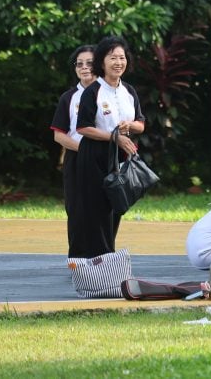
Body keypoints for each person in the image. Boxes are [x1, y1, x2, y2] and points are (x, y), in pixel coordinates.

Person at [72, 36, 146, 258]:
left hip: (121, 156)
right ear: (101, 62)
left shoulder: (129, 91)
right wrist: (114, 137)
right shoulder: (93, 91)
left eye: (122, 58)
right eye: (112, 57)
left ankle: (107, 256)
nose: (118, 63)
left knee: (116, 207)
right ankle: (97, 259)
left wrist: (130, 126)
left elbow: (141, 124)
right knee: (96, 210)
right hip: (94, 156)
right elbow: (83, 128)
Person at [50, 44, 96, 257]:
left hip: (107, 163)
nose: (84, 68)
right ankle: (77, 262)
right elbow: (59, 135)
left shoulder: (113, 94)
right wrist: (87, 150)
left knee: (104, 212)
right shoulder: (69, 98)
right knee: (77, 212)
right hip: (77, 162)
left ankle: (103, 260)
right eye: (79, 64)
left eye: (89, 63)